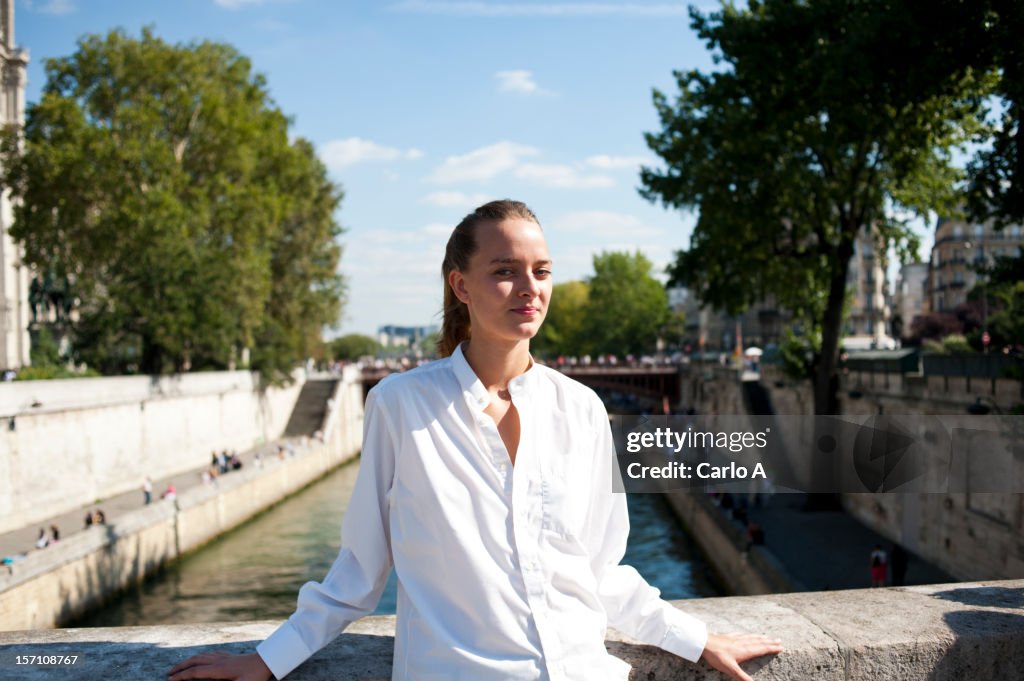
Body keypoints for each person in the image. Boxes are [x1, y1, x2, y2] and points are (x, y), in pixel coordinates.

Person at [168, 200, 782, 681]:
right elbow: (359, 569)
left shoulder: (583, 409)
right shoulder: (400, 406)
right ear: (461, 286)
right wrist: (270, 658)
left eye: (541, 272)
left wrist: (697, 640)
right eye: (505, 271)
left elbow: (600, 572)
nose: (529, 288)